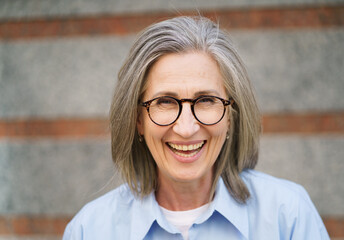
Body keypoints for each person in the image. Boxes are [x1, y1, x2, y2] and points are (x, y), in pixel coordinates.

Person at [63, 16, 330, 240]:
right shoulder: (90, 230)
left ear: (230, 115)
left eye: (206, 100)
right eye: (165, 101)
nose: (187, 128)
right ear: (138, 120)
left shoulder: (288, 215)